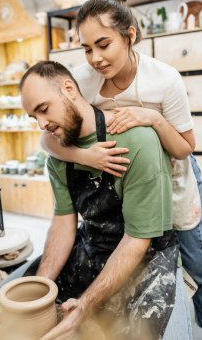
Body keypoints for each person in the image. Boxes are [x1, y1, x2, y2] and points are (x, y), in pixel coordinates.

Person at [41, 0, 202, 328]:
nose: (95, 58)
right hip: (125, 179)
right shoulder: (82, 81)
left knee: (195, 264)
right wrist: (86, 158)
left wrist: (153, 118)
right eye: (86, 49)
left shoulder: (164, 79)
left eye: (104, 44)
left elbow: (186, 148)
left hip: (175, 179)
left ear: (129, 35)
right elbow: (48, 141)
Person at [18, 60, 190, 340]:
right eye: (32, 117)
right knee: (40, 303)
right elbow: (64, 224)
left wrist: (85, 305)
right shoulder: (59, 155)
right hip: (96, 242)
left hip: (146, 252)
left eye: (44, 109)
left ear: (69, 89)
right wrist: (42, 287)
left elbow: (137, 240)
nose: (41, 124)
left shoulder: (137, 142)